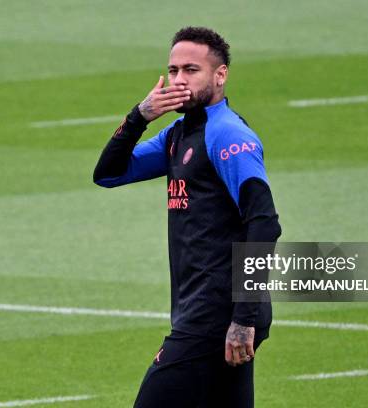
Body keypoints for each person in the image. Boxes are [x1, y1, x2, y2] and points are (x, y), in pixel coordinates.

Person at [93, 26, 281, 407]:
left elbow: (263, 223)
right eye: (173, 69)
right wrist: (140, 115)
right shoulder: (179, 134)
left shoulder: (226, 136)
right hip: (208, 310)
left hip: (217, 315)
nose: (179, 79)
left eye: (191, 70)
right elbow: (109, 173)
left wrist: (243, 319)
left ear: (220, 75)